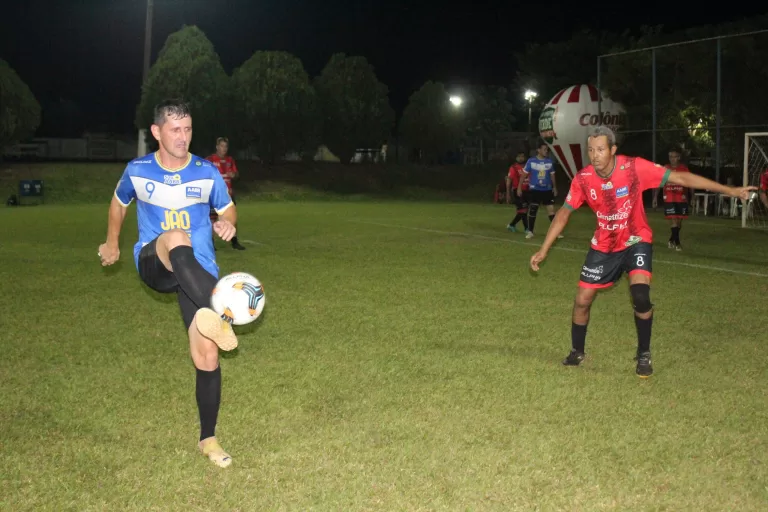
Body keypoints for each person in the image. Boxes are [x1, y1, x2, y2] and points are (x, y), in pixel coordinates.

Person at [529, 126, 754, 378]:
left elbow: (681, 179)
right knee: (582, 301)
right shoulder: (583, 178)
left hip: (636, 239)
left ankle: (644, 353)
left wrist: (731, 190)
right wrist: (544, 249)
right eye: (590, 150)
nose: (595, 155)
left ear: (613, 150)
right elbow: (563, 213)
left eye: (600, 149)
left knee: (640, 296)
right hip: (604, 245)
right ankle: (577, 351)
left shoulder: (634, 168)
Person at [98, 99, 239, 467]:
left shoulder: (206, 171)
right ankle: (221, 311)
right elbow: (118, 203)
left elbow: (227, 209)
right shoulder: (138, 170)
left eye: (188, 129)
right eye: (175, 129)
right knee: (176, 236)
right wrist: (112, 243)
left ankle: (208, 439)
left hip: (197, 272)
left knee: (207, 355)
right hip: (156, 261)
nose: (183, 136)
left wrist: (229, 223)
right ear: (157, 132)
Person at [207, 137, 246, 251]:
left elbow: (236, 174)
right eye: (222, 146)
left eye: (226, 146)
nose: (224, 149)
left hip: (228, 195)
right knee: (212, 219)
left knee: (232, 217)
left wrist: (234, 175)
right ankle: (211, 243)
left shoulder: (230, 160)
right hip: (214, 195)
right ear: (217, 147)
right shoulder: (210, 160)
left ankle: (234, 241)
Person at [518, 142, 561, 239]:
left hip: (547, 189)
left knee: (551, 211)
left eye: (547, 149)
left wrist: (554, 187)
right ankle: (530, 231)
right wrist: (519, 187)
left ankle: (556, 233)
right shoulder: (531, 161)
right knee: (533, 210)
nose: (546, 151)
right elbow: (523, 175)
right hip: (535, 189)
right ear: (538, 150)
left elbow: (552, 175)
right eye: (544, 149)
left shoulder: (549, 162)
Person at [657, 147, 693, 251]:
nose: (672, 159)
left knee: (679, 223)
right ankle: (677, 243)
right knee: (674, 221)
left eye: (675, 157)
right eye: (670, 157)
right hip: (669, 198)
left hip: (681, 198)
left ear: (679, 157)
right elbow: (660, 183)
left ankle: (671, 240)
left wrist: (692, 196)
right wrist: (655, 197)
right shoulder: (665, 168)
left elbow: (690, 182)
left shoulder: (684, 169)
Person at [506, 151, 530, 233]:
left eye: (522, 156)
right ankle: (527, 229)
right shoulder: (514, 167)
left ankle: (512, 225)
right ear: (516, 158)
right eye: (519, 156)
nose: (521, 158)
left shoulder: (527, 167)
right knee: (523, 210)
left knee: (524, 210)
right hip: (517, 191)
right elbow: (509, 181)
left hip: (527, 190)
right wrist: (508, 194)